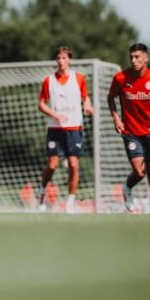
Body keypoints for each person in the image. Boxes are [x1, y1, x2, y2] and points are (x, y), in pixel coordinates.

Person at [107, 43, 150, 214]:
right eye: (131, 57)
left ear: (146, 58)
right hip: (131, 133)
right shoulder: (120, 78)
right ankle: (127, 188)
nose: (133, 60)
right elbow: (110, 98)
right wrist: (116, 118)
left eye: (137, 57)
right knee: (139, 172)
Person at [37, 46, 93, 213]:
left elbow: (85, 97)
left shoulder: (79, 78)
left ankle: (70, 202)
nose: (61, 61)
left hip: (74, 128)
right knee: (53, 165)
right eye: (58, 58)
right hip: (55, 129)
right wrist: (55, 114)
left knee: (73, 165)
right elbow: (41, 104)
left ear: (69, 60)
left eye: (64, 58)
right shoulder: (49, 80)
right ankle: (41, 193)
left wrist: (88, 107)